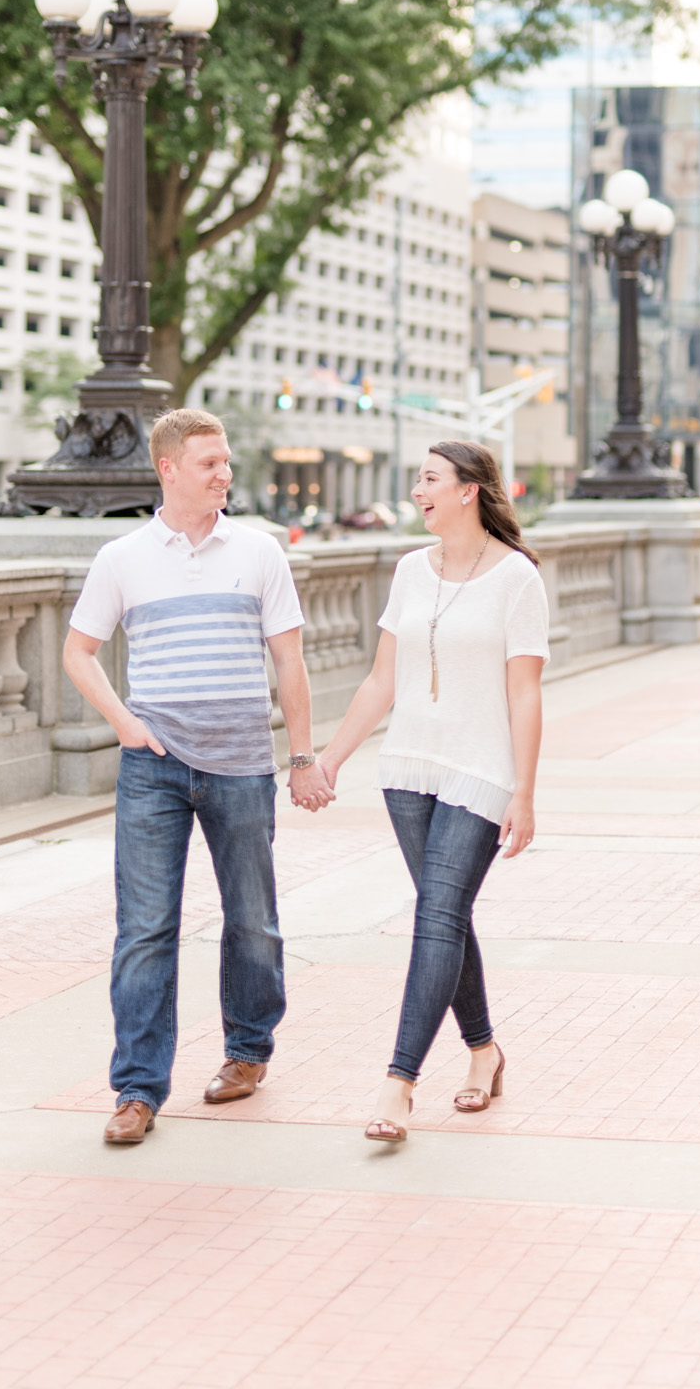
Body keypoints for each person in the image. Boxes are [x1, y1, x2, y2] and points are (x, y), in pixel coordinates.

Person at [63, 408, 331, 1147]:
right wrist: (125, 725)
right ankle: (137, 1090)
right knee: (145, 930)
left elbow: (290, 662)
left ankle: (247, 1052)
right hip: (153, 766)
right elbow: (78, 653)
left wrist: (301, 757)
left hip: (242, 764)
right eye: (209, 462)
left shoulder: (260, 551)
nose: (224, 473)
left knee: (252, 920)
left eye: (226, 461)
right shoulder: (122, 558)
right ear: (168, 470)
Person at [319, 440, 547, 1144]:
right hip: (409, 769)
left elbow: (524, 691)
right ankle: (483, 1051)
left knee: (437, 916)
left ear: (468, 490)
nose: (416, 491)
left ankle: (398, 1085)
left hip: (479, 772)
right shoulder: (409, 571)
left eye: (427, 479)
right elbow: (381, 680)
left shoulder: (516, 579)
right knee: (443, 918)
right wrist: (327, 761)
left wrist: (525, 794)